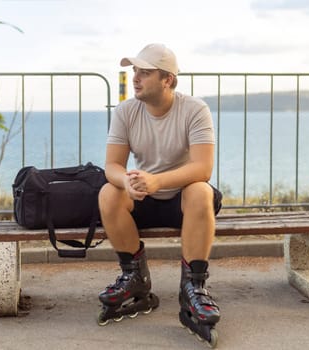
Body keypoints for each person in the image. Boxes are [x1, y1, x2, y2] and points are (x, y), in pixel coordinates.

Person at [96, 43, 222, 347]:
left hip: (184, 198)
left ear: (168, 80)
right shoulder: (126, 110)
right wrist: (126, 181)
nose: (136, 77)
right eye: (134, 71)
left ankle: (194, 287)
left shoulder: (194, 109)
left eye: (145, 72)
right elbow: (112, 164)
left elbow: (202, 168)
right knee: (107, 193)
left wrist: (158, 181)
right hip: (144, 196)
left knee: (200, 191)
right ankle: (135, 279)